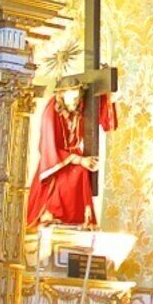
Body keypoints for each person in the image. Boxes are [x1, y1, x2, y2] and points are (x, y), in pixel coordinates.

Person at [27, 89, 110, 226]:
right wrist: (79, 160)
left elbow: (102, 113)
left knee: (80, 172)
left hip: (74, 157)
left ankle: (79, 221)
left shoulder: (78, 106)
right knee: (67, 179)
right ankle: (51, 216)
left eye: (76, 98)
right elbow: (48, 147)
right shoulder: (51, 112)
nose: (74, 102)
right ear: (61, 95)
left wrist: (109, 95)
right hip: (55, 162)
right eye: (71, 98)